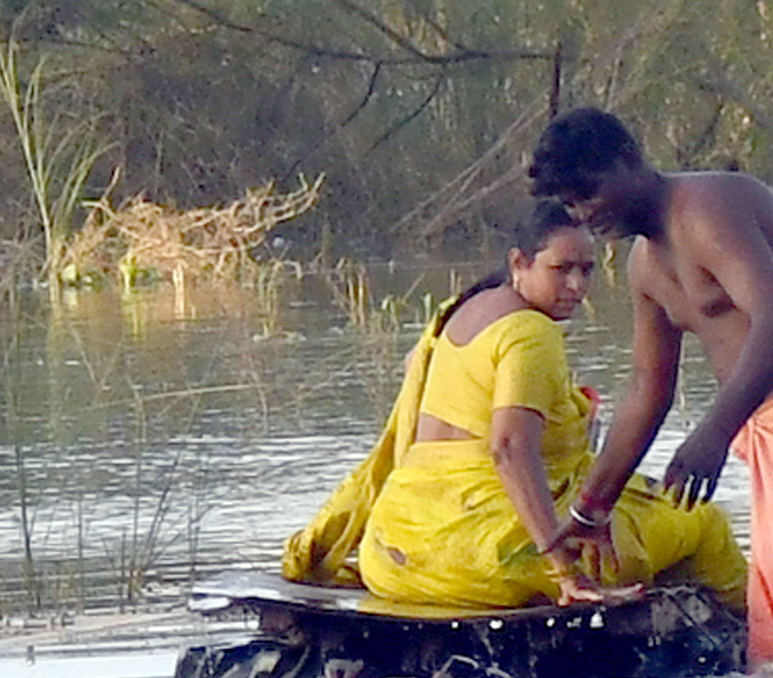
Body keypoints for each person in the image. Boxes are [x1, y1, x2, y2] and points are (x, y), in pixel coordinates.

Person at [529, 108, 773, 666]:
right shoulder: (644, 268)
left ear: (627, 160)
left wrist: (714, 434)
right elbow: (648, 391)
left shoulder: (707, 208)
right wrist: (590, 509)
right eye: (570, 205)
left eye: (587, 193)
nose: (584, 213)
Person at [281, 200, 745, 616]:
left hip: (393, 551)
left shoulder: (455, 312)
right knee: (703, 521)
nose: (577, 286)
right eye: (561, 269)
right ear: (518, 263)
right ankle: (761, 645)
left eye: (587, 271)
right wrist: (565, 572)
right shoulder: (530, 332)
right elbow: (508, 448)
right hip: (482, 561)